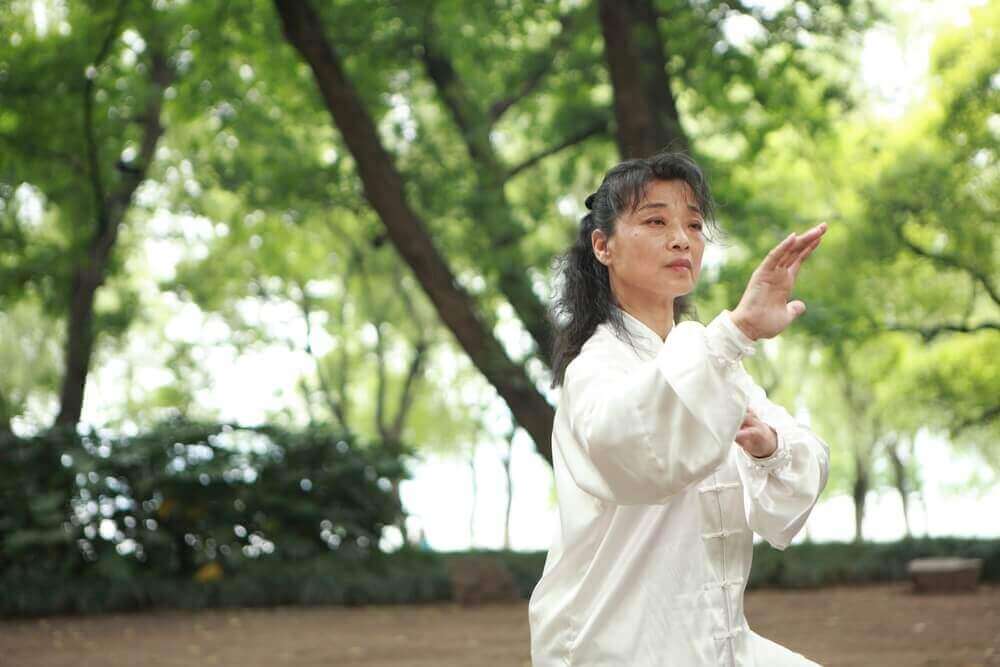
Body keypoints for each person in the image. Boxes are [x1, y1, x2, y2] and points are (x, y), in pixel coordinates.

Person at [528, 151, 830, 666]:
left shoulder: (706, 357)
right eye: (655, 221)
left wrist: (768, 448)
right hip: (618, 645)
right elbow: (641, 451)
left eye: (693, 224)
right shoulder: (597, 367)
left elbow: (800, 470)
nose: (681, 239)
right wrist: (738, 330)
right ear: (603, 245)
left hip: (719, 643)